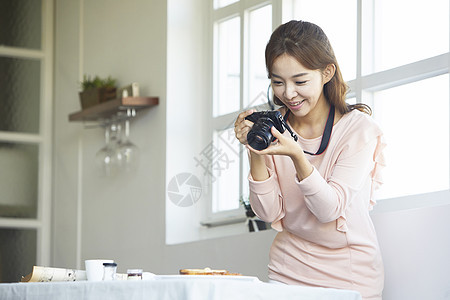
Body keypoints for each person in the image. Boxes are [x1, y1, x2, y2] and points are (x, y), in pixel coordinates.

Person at [234, 20, 386, 300]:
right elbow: (267, 213)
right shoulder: (274, 128)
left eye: (300, 81)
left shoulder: (358, 130)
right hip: (287, 273)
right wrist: (255, 149)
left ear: (327, 72)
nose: (288, 93)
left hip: (350, 278)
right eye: (277, 82)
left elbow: (329, 209)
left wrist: (296, 155)